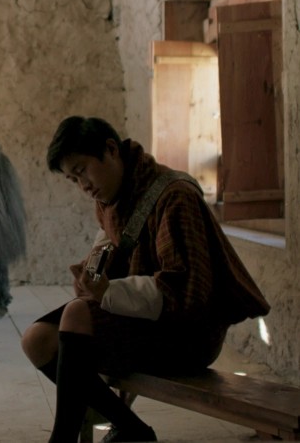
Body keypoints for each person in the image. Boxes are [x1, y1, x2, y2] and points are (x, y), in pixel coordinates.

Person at [21, 116, 270, 443]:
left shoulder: (175, 196)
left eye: (82, 170)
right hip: (144, 320)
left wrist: (108, 292)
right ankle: (133, 429)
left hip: (188, 333)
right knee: (36, 340)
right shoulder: (111, 197)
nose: (82, 185)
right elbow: (113, 237)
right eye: (72, 179)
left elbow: (183, 291)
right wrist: (92, 271)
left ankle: (63, 438)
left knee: (77, 315)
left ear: (110, 149)